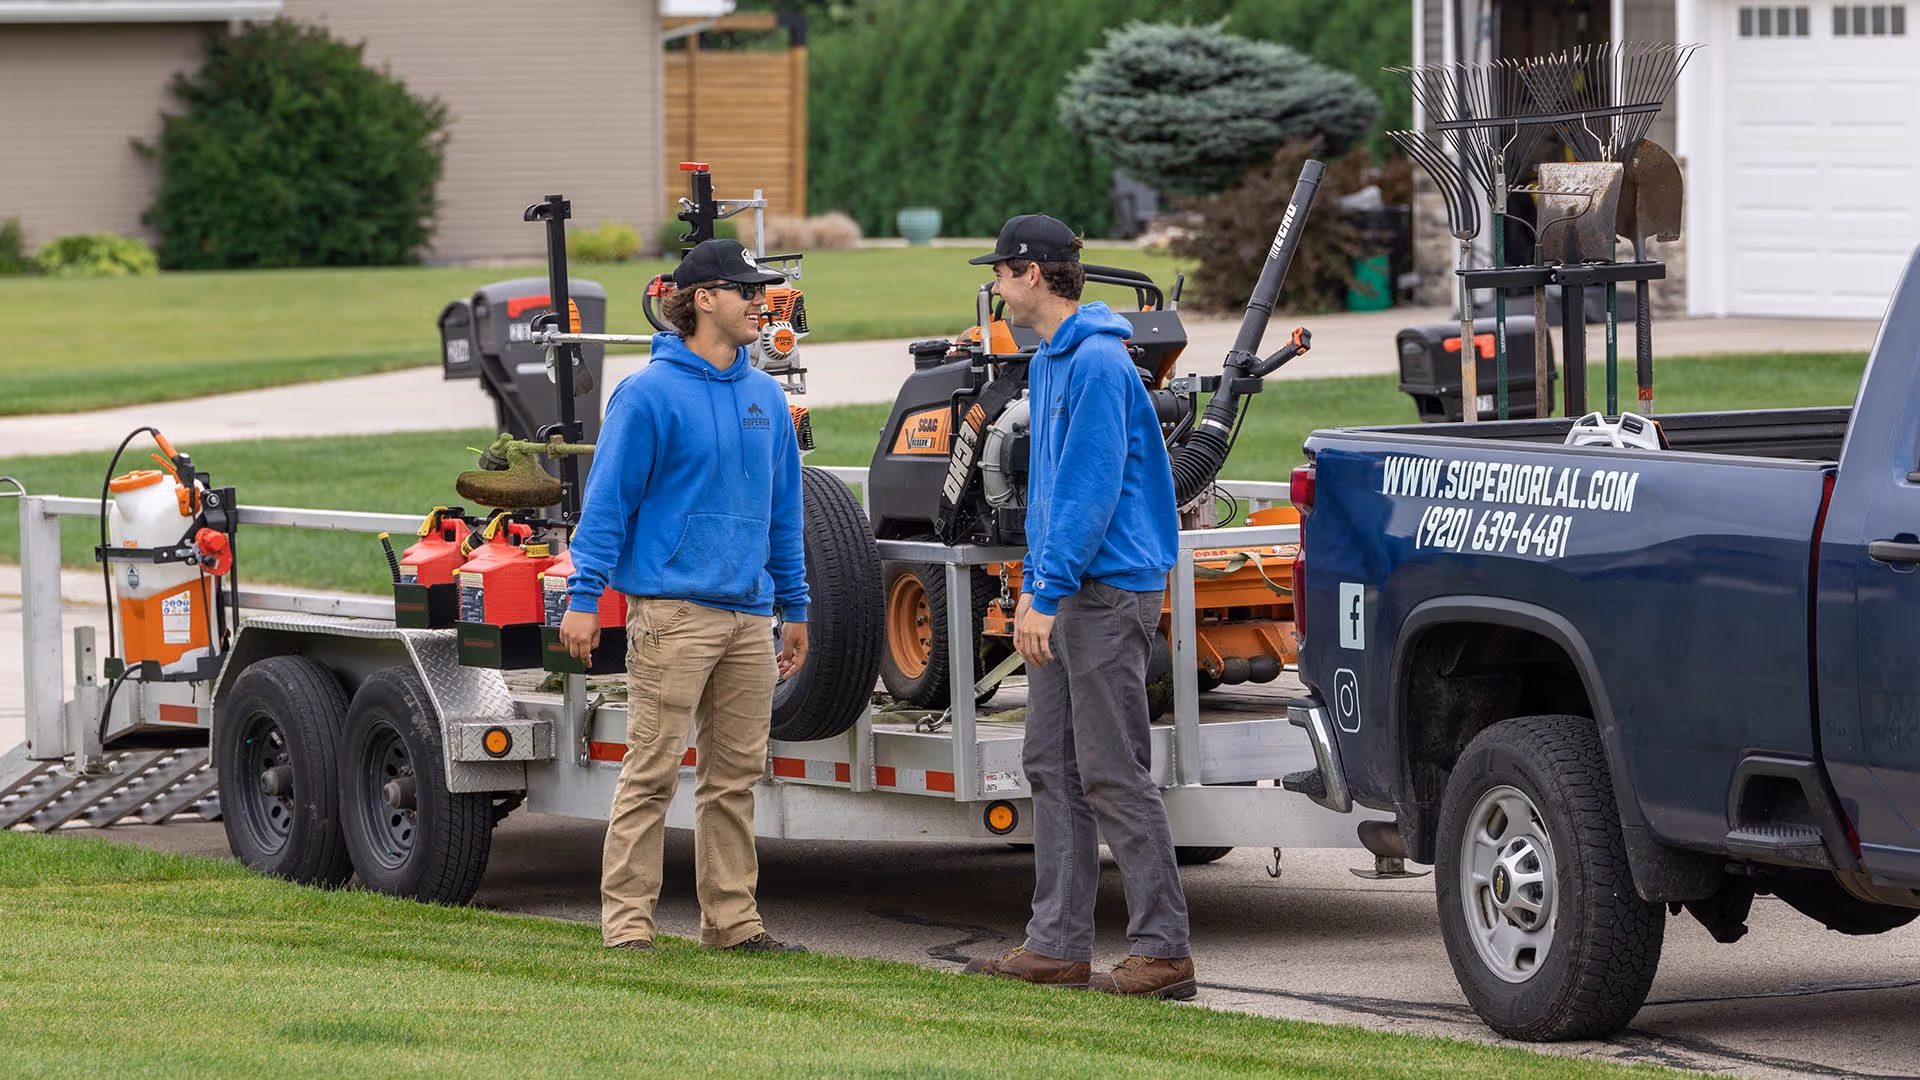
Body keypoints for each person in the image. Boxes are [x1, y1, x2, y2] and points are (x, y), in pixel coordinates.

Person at [959, 215, 1194, 998]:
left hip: (1104, 592)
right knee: (1051, 765)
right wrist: (1039, 584)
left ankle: (1164, 953)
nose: (995, 285)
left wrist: (1045, 592)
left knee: (1111, 771)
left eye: (1000, 271)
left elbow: (1088, 495)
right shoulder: (1052, 359)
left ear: (1031, 273)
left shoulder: (1094, 362)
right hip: (1070, 588)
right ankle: (1057, 944)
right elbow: (1055, 492)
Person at [560, 238, 809, 954]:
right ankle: (628, 928)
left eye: (761, 291)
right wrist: (585, 595)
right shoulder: (646, 394)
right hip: (671, 614)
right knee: (652, 772)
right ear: (703, 299)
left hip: (749, 615)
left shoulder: (766, 397)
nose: (761, 303)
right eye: (746, 291)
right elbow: (607, 505)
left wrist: (796, 606)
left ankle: (732, 926)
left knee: (734, 780)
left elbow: (782, 511)